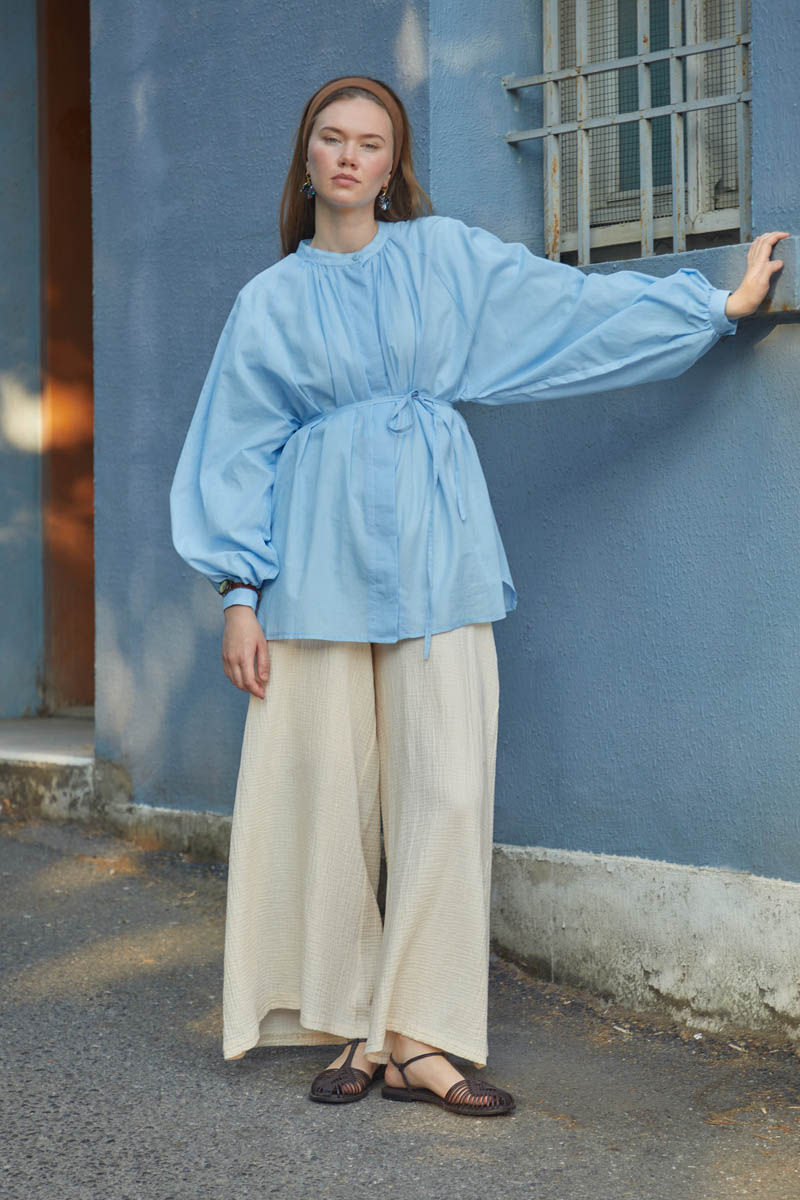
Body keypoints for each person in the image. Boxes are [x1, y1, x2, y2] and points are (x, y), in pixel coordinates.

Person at [169, 74, 788, 1117]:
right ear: (307, 157)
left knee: (445, 789)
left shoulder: (443, 259)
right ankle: (353, 1025)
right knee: (327, 800)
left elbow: (563, 310)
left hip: (434, 550)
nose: (350, 157)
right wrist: (239, 593)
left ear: (391, 164)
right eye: (332, 138)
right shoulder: (267, 302)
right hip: (312, 570)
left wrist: (708, 308)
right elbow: (234, 449)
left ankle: (419, 1036)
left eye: (370, 142)